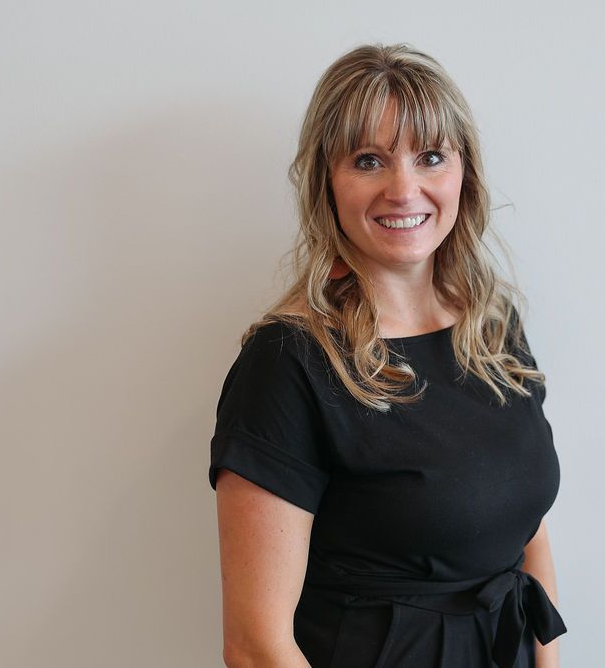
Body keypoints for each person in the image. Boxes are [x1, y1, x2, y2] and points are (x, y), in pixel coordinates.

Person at [209, 43, 566, 668]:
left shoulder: (491, 329)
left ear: (464, 173)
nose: (404, 189)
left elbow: (524, 527)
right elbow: (256, 647)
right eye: (368, 160)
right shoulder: (288, 363)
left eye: (430, 157)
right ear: (326, 183)